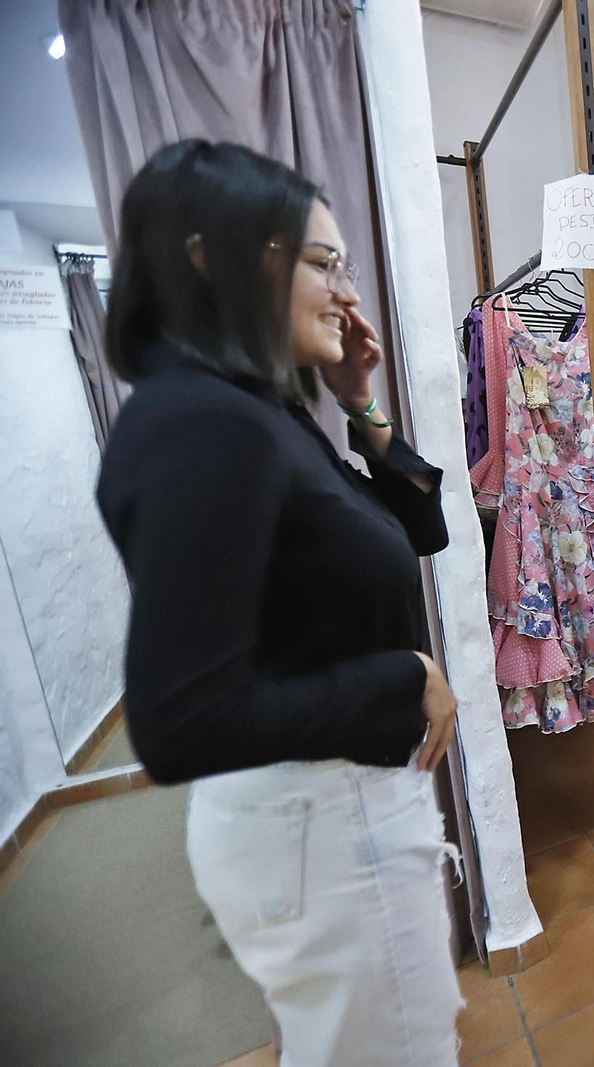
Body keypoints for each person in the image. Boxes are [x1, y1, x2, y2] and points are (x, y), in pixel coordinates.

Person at [95, 141, 463, 1065]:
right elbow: (181, 722)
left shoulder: (267, 416)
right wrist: (404, 675)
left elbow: (416, 536)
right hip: (320, 815)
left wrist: (361, 402)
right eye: (321, 262)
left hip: (333, 806)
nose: (346, 291)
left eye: (344, 265)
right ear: (212, 257)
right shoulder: (200, 420)